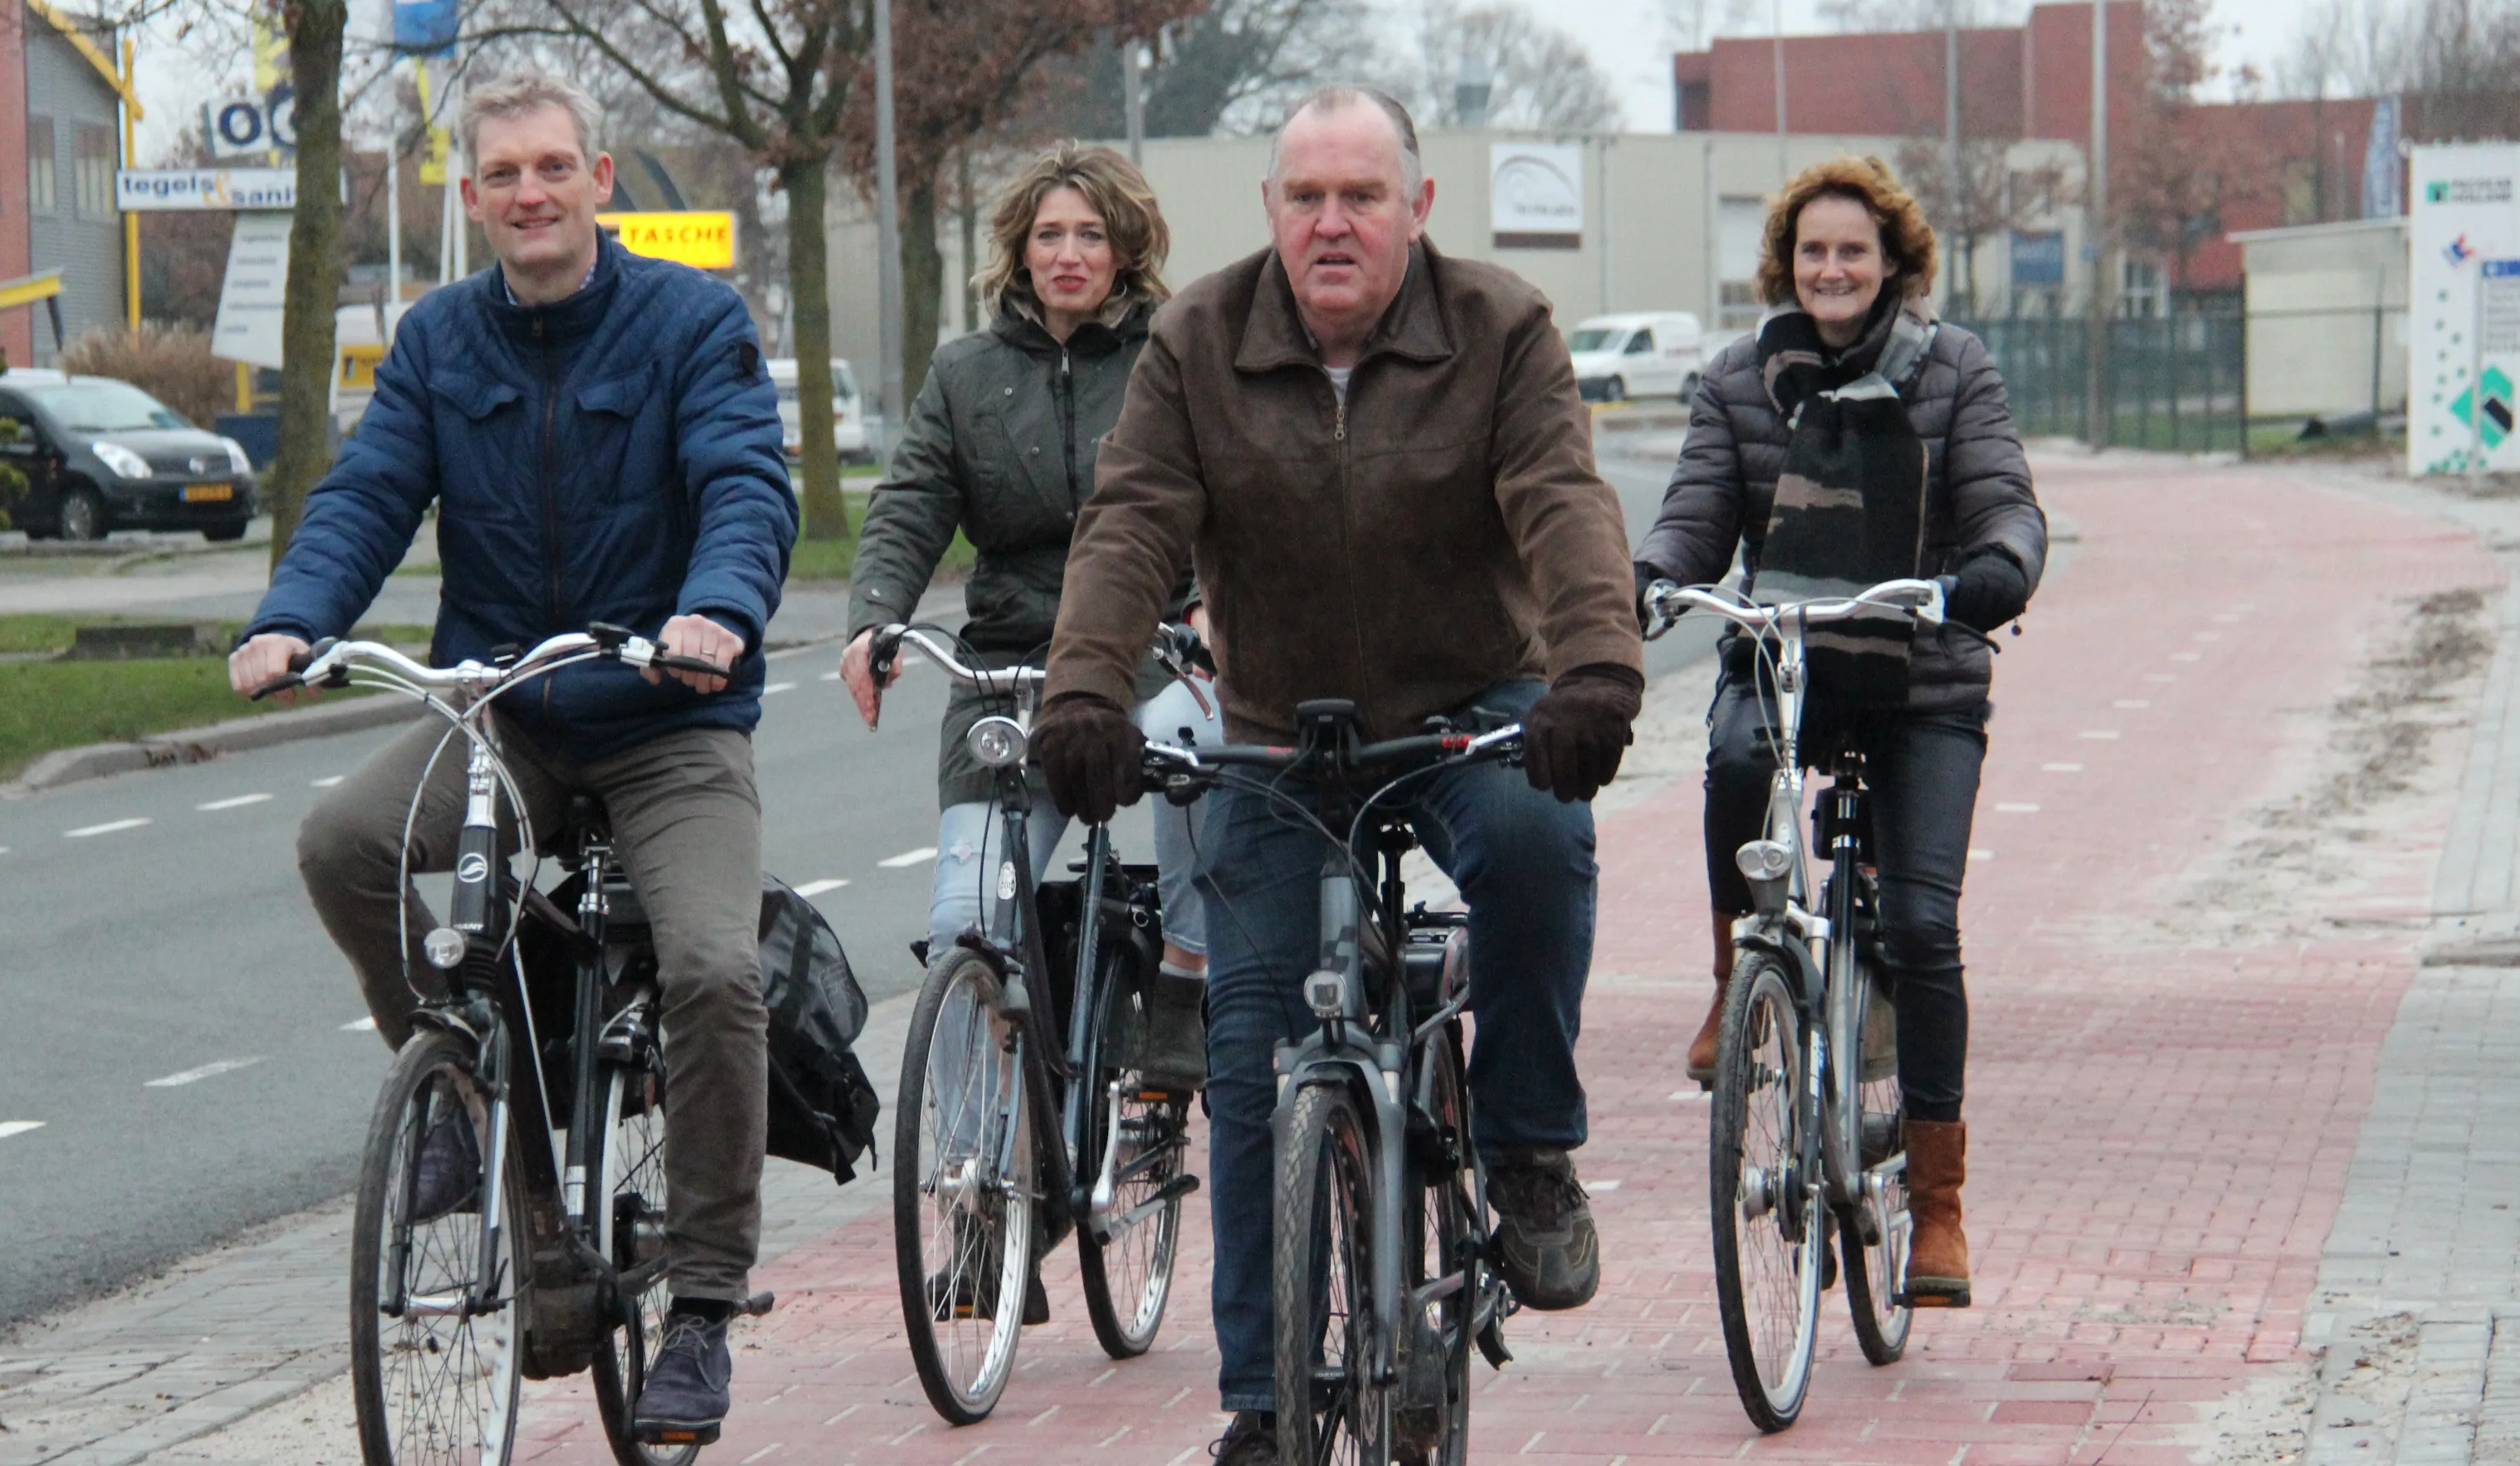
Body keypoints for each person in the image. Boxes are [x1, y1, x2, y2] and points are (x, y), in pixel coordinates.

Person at [1031, 86, 1646, 1463]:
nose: (1330, 222)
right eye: (1304, 196)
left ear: (1417, 209)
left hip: (1466, 703)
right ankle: (1261, 1402)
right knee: (1249, 1057)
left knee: (1540, 842)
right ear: (1268, 213)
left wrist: (1594, 672)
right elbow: (1131, 523)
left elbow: (1561, 501)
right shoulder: (1197, 337)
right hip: (1274, 726)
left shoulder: (1504, 328)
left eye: (1360, 195)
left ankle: (1530, 1153)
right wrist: (1085, 692)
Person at [224, 71, 796, 1440]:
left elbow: (742, 484)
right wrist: (293, 619)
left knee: (715, 965)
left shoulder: (694, 323)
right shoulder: (437, 340)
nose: (530, 194)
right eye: (503, 175)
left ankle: (706, 1304)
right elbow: (369, 493)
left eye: (554, 167)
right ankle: (475, 1105)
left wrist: (715, 611)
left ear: (601, 179)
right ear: (470, 197)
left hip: (667, 716)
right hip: (506, 707)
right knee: (344, 842)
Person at [1634, 154, 2045, 1309]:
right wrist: (1652, 581)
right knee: (1726, 755)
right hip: (1789, 656)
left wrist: (1994, 570)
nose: (1830, 268)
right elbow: (1693, 515)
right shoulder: (1736, 379)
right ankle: (1736, 973)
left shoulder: (1951, 368)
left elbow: (2003, 500)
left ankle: (1939, 1204)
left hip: (1920, 670)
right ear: (1785, 263)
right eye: (1811, 250)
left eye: (1851, 250)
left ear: (1891, 263)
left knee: (1919, 923)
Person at [842, 142, 1215, 1092]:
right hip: (1011, 668)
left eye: (1090, 234)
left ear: (1124, 248)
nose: (1068, 254)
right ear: (1019, 249)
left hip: (1152, 649)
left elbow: (1234, 493)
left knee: (1200, 745)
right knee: (964, 926)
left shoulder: (1176, 356)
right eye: (1049, 234)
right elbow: (911, 500)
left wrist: (1215, 607)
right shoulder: (965, 374)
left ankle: (1184, 978)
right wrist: (873, 619)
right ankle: (980, 1188)